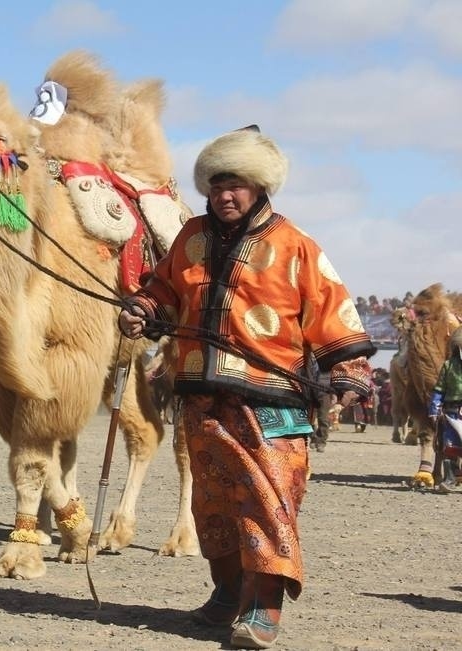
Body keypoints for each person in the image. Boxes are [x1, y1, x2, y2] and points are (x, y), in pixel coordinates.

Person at [118, 126, 374, 649]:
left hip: (271, 397)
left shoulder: (295, 245)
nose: (224, 196)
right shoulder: (191, 237)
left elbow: (331, 309)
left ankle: (263, 606)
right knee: (212, 503)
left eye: (235, 185)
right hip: (202, 396)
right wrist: (142, 310)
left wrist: (349, 371)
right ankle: (227, 593)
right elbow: (164, 290)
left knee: (268, 500)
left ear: (260, 186)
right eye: (216, 186)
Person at [428, 328, 462, 492]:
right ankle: (449, 480)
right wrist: (434, 410)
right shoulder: (448, 365)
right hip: (452, 414)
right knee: (450, 446)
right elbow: (439, 389)